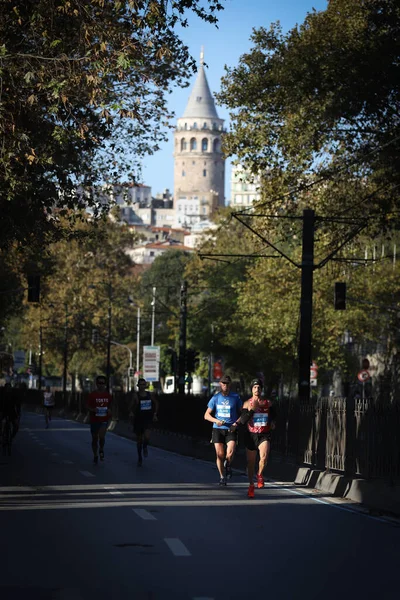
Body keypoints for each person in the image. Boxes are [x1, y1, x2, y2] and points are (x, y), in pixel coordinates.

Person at [240, 378, 276, 498]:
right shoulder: (246, 404)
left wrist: (272, 422)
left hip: (264, 434)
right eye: (255, 387)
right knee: (251, 463)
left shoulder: (267, 403)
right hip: (251, 435)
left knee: (264, 457)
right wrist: (252, 410)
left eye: (259, 387)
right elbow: (243, 420)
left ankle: (260, 475)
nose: (257, 389)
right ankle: (251, 485)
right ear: (252, 389)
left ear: (261, 390)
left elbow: (274, 415)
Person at [204, 374, 242, 486]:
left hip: (231, 428)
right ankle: (222, 476)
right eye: (223, 383)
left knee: (230, 453)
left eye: (227, 383)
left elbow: (243, 413)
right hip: (218, 429)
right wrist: (216, 421)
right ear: (220, 384)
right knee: (220, 454)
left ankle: (228, 465)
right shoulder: (215, 398)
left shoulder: (235, 397)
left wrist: (237, 422)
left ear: (230, 384)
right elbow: (206, 415)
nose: (225, 385)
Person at [129, 378, 159, 466]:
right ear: (138, 386)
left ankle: (145, 446)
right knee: (139, 440)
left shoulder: (150, 395)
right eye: (140, 385)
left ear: (145, 386)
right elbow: (130, 406)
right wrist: (131, 412)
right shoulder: (135, 395)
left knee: (147, 437)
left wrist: (155, 414)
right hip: (138, 419)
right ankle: (139, 457)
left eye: (143, 384)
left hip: (148, 419)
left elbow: (156, 403)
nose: (142, 386)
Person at [86, 375, 112, 464]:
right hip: (94, 419)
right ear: (96, 384)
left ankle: (101, 449)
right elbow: (87, 406)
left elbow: (111, 406)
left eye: (103, 383)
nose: (101, 385)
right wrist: (93, 410)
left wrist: (109, 411)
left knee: (101, 437)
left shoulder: (108, 395)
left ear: (105, 384)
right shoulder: (92, 395)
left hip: (104, 419)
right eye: (99, 383)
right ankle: (95, 455)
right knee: (94, 439)